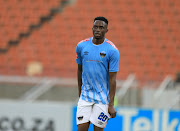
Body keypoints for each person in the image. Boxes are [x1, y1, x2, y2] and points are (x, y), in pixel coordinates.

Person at [76, 16, 120, 131]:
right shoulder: (81, 46)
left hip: (102, 99)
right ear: (92, 28)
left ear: (106, 30)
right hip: (85, 97)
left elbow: (112, 79)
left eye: (101, 27)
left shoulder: (112, 50)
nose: (98, 30)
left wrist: (111, 104)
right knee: (81, 129)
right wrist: (80, 93)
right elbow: (80, 70)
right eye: (95, 27)